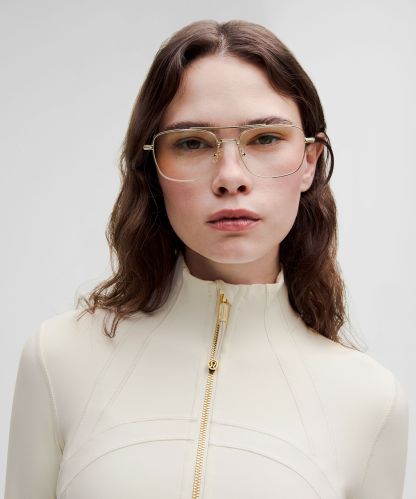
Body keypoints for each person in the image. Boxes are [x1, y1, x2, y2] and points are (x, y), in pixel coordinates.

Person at [5, 19, 408, 499]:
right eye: (192, 143)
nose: (231, 177)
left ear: (309, 161)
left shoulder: (370, 400)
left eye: (265, 138)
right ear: (153, 168)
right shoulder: (57, 358)